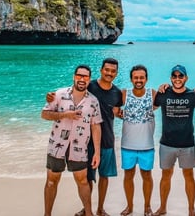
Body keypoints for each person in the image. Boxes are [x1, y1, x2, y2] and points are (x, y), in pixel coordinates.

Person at [47, 58, 123, 216]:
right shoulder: (88, 87)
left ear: (116, 73)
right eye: (106, 70)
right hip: (80, 142)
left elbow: (114, 112)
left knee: (103, 176)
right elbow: (53, 107)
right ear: (101, 70)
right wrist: (52, 99)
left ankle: (100, 209)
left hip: (106, 138)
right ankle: (85, 209)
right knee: (86, 178)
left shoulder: (115, 93)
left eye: (113, 71)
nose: (109, 73)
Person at [41, 64, 102, 216]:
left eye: (85, 76)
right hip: (57, 145)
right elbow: (45, 114)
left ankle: (88, 213)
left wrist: (97, 153)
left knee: (82, 182)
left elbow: (96, 127)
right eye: (79, 76)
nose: (82, 79)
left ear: (89, 79)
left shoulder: (93, 101)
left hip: (79, 148)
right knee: (51, 181)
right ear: (74, 77)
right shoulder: (59, 94)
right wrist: (64, 115)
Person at [152, 65, 195, 216]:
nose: (177, 79)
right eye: (174, 76)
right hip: (167, 143)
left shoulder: (193, 95)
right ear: (171, 78)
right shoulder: (163, 93)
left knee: (189, 176)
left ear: (186, 78)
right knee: (166, 176)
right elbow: (150, 106)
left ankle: (191, 210)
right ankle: (163, 207)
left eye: (181, 76)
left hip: (187, 144)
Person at [119, 64, 156, 216]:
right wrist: (118, 113)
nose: (138, 80)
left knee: (147, 176)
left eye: (141, 77)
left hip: (147, 145)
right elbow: (112, 107)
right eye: (136, 77)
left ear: (146, 79)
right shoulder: (124, 94)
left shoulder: (153, 94)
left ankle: (147, 207)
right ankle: (130, 206)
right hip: (127, 145)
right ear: (131, 79)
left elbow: (171, 97)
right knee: (128, 175)